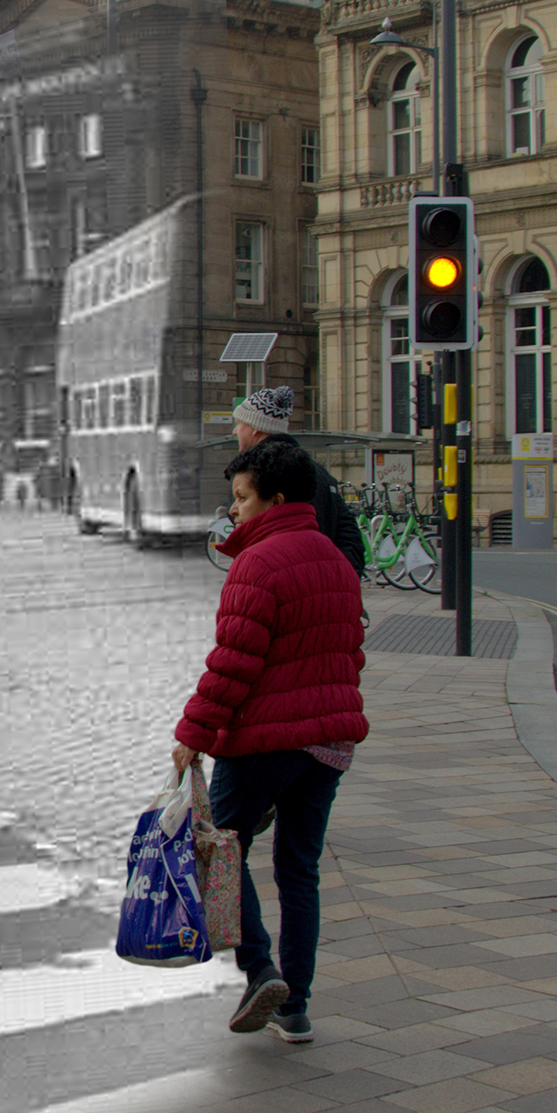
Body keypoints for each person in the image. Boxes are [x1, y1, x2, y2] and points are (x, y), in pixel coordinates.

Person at [171, 435, 367, 1044]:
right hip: (330, 743)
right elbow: (350, 655)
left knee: (216, 847)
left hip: (265, 740)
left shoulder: (258, 562)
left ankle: (259, 970)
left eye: (242, 498)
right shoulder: (335, 560)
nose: (234, 510)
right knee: (298, 868)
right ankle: (296, 1006)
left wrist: (193, 733)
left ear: (275, 499)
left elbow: (234, 662)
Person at [230, 383, 365, 578]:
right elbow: (347, 531)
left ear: (254, 428)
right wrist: (341, 579)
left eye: (239, 424)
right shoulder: (318, 471)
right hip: (323, 585)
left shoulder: (261, 474)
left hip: (281, 582)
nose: (235, 431)